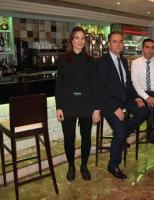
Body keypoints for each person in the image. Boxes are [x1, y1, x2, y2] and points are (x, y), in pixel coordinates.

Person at [97, 31, 150, 179]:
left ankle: (124, 130)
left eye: (121, 41)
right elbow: (102, 90)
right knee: (119, 133)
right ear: (109, 44)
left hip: (125, 99)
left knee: (145, 111)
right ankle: (113, 165)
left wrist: (136, 97)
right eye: (115, 41)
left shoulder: (124, 60)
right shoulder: (102, 62)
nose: (119, 44)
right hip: (108, 104)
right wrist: (116, 108)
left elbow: (127, 85)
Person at [55, 27, 100, 181]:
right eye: (77, 38)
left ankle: (84, 166)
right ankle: (71, 166)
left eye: (82, 38)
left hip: (87, 105)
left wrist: (96, 109)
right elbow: (59, 84)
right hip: (68, 105)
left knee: (86, 138)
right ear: (71, 40)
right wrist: (58, 107)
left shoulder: (91, 60)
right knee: (69, 138)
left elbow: (95, 86)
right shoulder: (63, 59)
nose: (80, 41)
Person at [131, 38, 154, 144]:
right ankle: (150, 131)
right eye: (147, 47)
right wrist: (146, 97)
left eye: (152, 48)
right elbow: (135, 83)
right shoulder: (136, 63)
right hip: (141, 93)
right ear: (142, 48)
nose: (150, 50)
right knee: (150, 107)